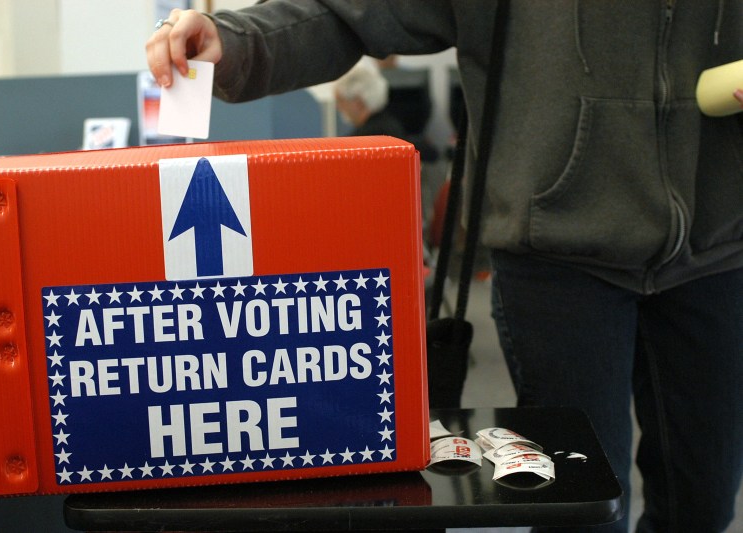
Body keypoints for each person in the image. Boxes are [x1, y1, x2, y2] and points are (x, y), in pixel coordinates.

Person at [146, 3, 743, 532]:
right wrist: (237, 40)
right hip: (559, 253)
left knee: (705, 503)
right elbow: (353, 14)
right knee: (585, 511)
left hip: (719, 242)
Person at [334, 59, 407, 138]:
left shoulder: (361, 139)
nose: (337, 107)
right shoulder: (392, 126)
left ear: (358, 103)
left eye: (341, 101)